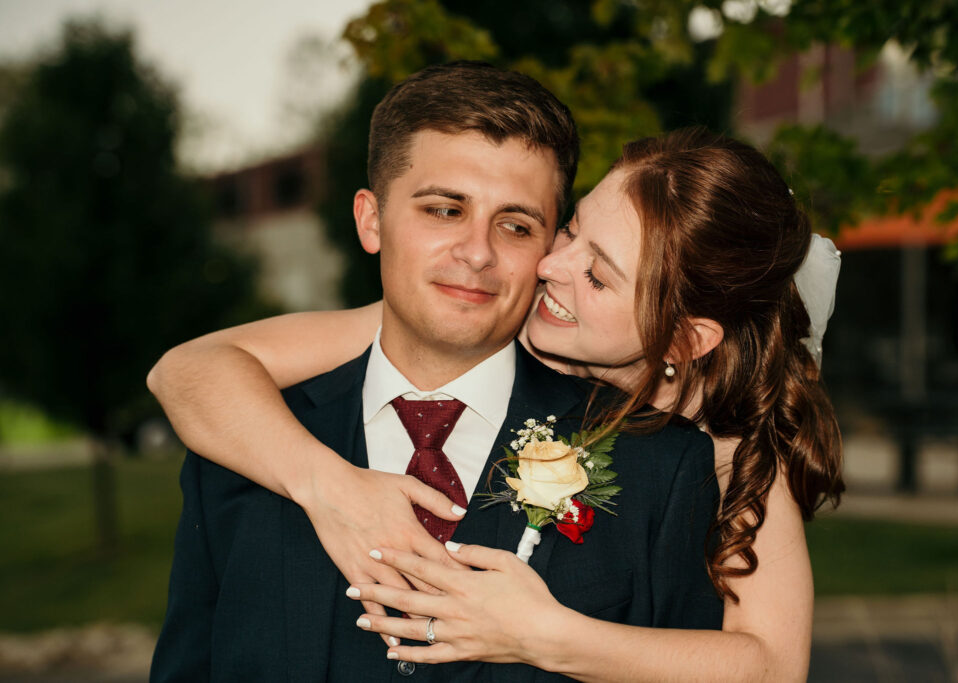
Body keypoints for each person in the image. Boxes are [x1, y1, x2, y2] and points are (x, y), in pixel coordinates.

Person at [150, 121, 844, 679]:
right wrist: (333, 487)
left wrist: (542, 633)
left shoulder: (724, 449)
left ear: (683, 339)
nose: (549, 264)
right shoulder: (481, 316)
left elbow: (770, 665)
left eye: (597, 276)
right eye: (570, 230)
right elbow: (191, 370)